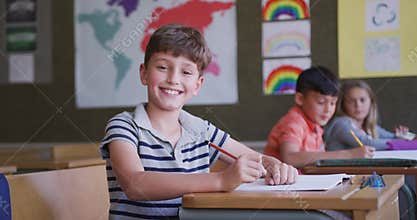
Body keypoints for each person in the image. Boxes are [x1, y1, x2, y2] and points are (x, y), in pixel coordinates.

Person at [100, 24, 297, 219]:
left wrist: (274, 165)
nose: (173, 79)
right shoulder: (124, 126)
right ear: (144, 73)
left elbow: (257, 159)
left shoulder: (201, 130)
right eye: (162, 67)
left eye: (186, 72)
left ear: (197, 84)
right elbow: (136, 184)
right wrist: (221, 180)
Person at [264, 67, 375, 168]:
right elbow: (290, 158)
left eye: (332, 103)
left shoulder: (315, 124)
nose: (328, 109)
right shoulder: (294, 121)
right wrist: (349, 154)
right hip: (279, 187)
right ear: (300, 99)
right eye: (321, 102)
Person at [324, 80, 411, 151]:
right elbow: (366, 143)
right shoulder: (341, 124)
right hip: (342, 172)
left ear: (371, 102)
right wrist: (401, 142)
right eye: (351, 101)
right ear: (343, 104)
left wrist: (403, 136)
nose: (358, 105)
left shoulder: (367, 125)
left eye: (362, 100)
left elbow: (391, 137)